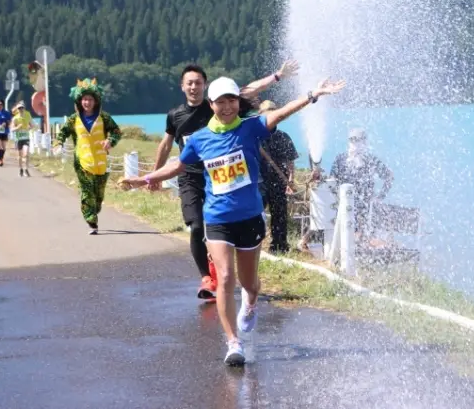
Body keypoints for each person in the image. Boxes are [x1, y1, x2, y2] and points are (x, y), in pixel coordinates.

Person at [120, 75, 346, 366]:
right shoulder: (200, 139)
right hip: (217, 219)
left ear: (238, 102)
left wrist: (314, 93)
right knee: (226, 277)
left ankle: (250, 303)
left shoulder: (251, 128)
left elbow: (282, 112)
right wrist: (144, 179)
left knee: (249, 284)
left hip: (249, 218)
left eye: (231, 100)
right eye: (220, 102)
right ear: (211, 104)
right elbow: (178, 165)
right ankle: (233, 342)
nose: (227, 107)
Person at [151, 60, 299, 301]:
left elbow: (250, 90)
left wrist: (278, 76)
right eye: (189, 83)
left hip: (219, 176)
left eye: (198, 83)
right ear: (182, 86)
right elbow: (166, 144)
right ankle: (207, 277)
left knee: (217, 225)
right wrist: (154, 175)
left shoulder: (218, 105)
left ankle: (223, 269)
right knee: (196, 226)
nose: (194, 87)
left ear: (205, 87)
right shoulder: (175, 115)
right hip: (190, 176)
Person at [54, 78, 122, 234]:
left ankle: (93, 210)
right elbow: (63, 133)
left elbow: (116, 131)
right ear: (80, 101)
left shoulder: (104, 117)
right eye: (84, 99)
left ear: (96, 101)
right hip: (83, 162)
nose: (87, 102)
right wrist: (58, 144)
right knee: (87, 192)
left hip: (101, 163)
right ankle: (91, 221)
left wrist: (110, 141)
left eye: (90, 99)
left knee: (98, 196)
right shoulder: (73, 119)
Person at [328, 128, 394, 239]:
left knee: (363, 237)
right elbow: (331, 181)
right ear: (349, 142)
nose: (355, 144)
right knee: (344, 236)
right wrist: (335, 198)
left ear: (365, 142)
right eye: (352, 140)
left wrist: (380, 197)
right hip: (343, 207)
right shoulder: (341, 159)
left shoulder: (371, 160)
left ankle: (363, 241)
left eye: (359, 140)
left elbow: (389, 177)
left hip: (365, 209)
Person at [257, 100, 299, 253]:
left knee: (280, 214)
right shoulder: (255, 136)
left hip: (279, 181)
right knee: (256, 213)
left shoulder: (283, 137)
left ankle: (279, 245)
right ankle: (253, 243)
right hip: (259, 181)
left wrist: (290, 180)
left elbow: (290, 161)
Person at [11, 101, 36, 177]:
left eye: (22, 108)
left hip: (26, 137)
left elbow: (32, 125)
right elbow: (12, 129)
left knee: (26, 154)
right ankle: (21, 169)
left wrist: (29, 127)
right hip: (18, 138)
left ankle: (26, 169)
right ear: (17, 110)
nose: (21, 109)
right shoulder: (15, 118)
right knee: (20, 156)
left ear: (24, 108)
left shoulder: (28, 115)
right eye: (19, 108)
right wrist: (17, 127)